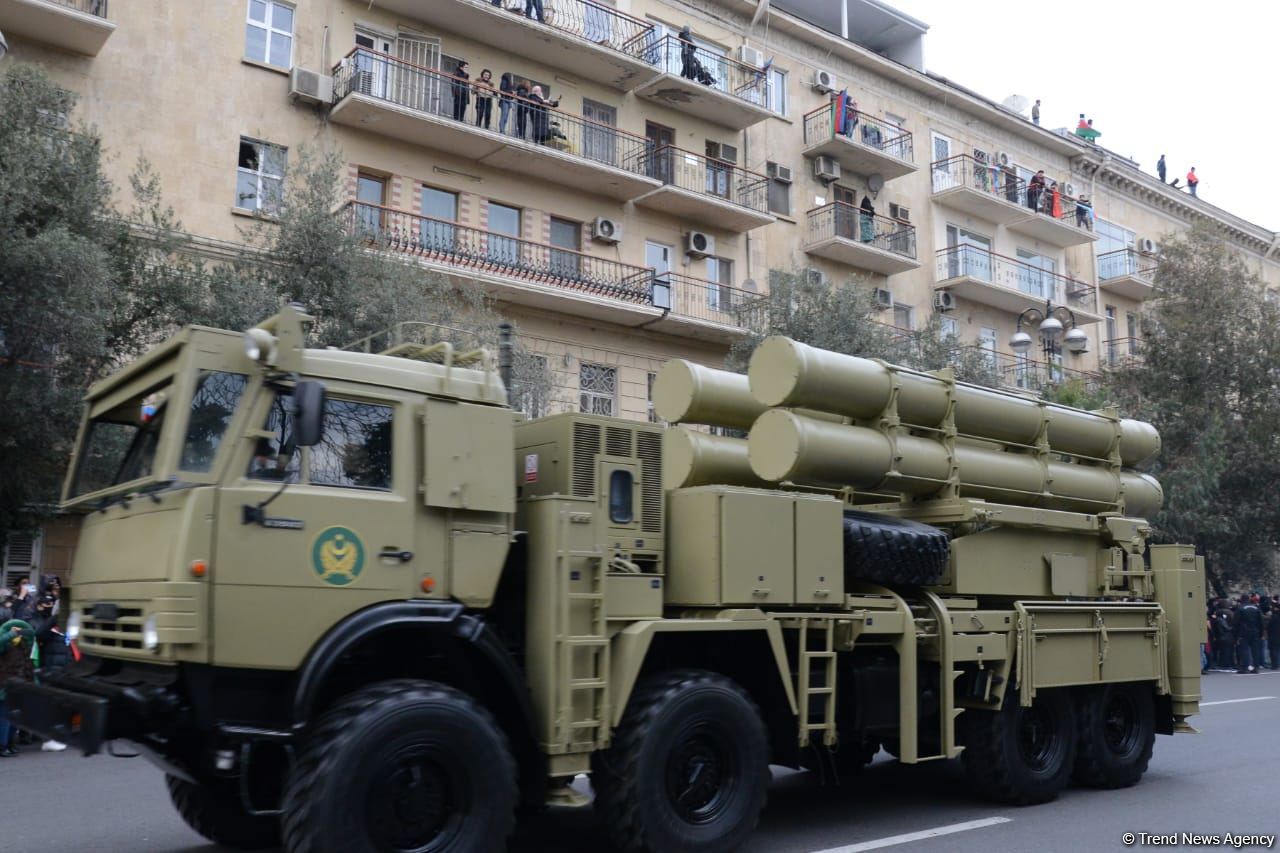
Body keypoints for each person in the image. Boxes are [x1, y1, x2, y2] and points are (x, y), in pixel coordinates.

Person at [0, 618, 36, 757]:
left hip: (21, 683)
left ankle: (10, 743)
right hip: (5, 684)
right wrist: (9, 633)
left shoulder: (25, 643)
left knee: (15, 717)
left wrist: (22, 630)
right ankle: (2, 745)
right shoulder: (4, 643)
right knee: (5, 716)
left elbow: (32, 634)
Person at [1235, 594, 1263, 673]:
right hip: (1255, 631)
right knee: (1255, 650)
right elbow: (1261, 621)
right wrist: (1261, 633)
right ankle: (1256, 667)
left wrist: (1235, 634)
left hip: (1243, 631)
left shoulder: (1240, 608)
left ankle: (1245, 667)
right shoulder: (1256, 608)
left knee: (1244, 649)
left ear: (1241, 599)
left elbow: (1236, 622)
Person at [1269, 597, 1280, 670]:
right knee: (1277, 650)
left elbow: (1269, 626)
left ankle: (1275, 665)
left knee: (1274, 650)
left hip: (1274, 635)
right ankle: (1277, 664)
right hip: (1277, 634)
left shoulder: (1274, 616)